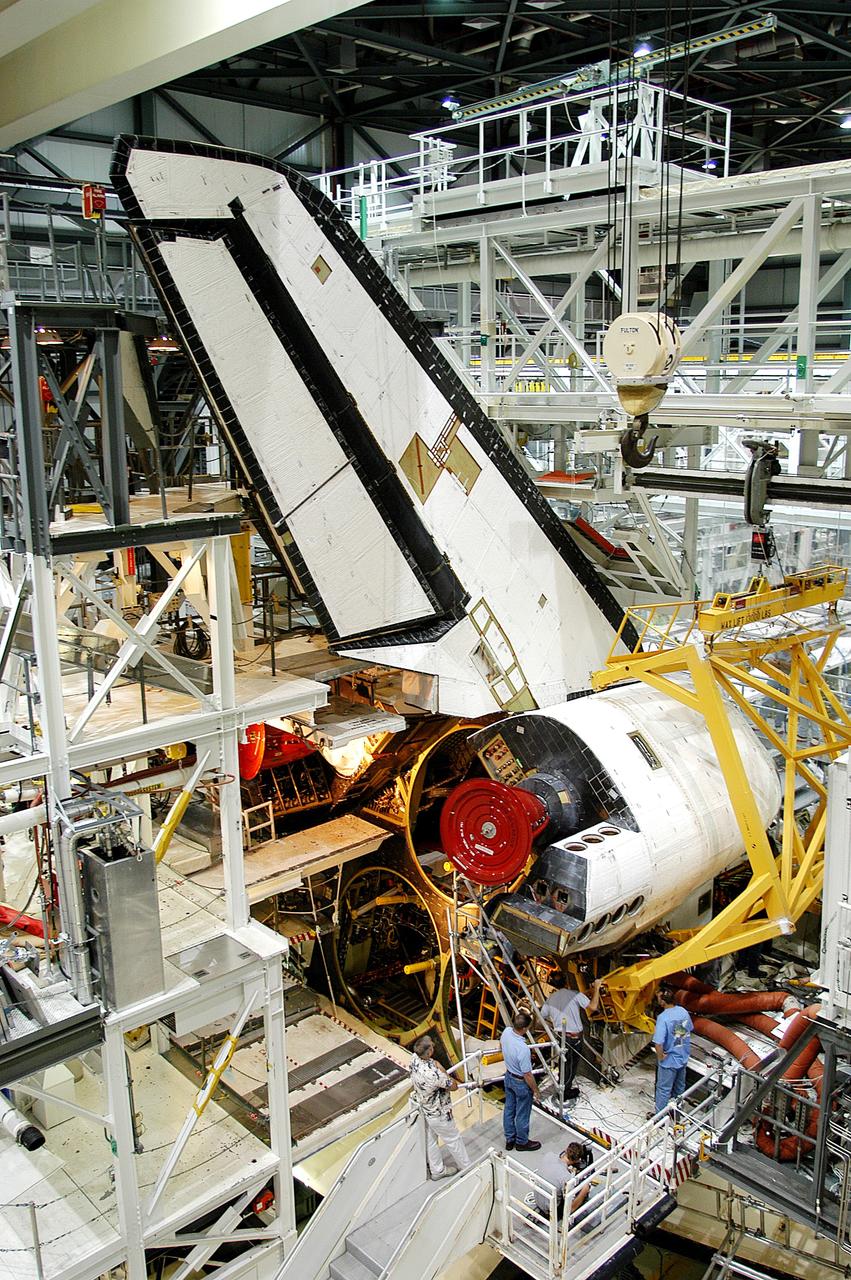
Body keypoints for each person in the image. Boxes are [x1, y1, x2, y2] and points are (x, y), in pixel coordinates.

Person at [409, 1034, 471, 1179]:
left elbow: (431, 1063)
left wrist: (434, 1063)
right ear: (429, 1052)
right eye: (432, 1046)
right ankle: (469, 1169)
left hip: (426, 1110)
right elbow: (453, 1085)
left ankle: (437, 1171)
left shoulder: (414, 1059)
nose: (434, 1046)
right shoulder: (433, 1075)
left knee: (431, 1140)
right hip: (440, 1114)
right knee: (454, 1140)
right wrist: (440, 1067)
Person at [541, 974, 603, 1098]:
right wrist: (596, 988)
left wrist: (556, 1020)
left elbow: (542, 1015)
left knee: (564, 1064)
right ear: (566, 982)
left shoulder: (551, 998)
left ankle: (562, 1087)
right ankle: (564, 1093)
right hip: (573, 1038)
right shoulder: (575, 995)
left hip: (561, 1036)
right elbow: (593, 1007)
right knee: (570, 1065)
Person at [500, 1010, 542, 1152]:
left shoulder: (506, 1033)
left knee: (509, 1109)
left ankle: (509, 1139)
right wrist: (536, 1090)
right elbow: (528, 1075)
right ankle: (522, 1142)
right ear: (524, 1029)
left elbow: (502, 1047)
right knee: (522, 1113)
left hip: (508, 1077)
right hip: (520, 1082)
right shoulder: (523, 1049)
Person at [652, 986, 693, 1113]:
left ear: (663, 1001)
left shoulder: (663, 1018)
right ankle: (677, 1112)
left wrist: (660, 1057)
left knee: (663, 1090)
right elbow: (687, 1029)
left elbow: (658, 1043)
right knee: (679, 1088)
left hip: (669, 1061)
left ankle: (659, 1118)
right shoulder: (683, 1011)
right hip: (683, 1056)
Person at [533, 1142, 592, 1218]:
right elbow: (570, 1209)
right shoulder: (566, 1178)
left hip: (539, 1200)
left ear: (566, 1150)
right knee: (584, 1188)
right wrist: (585, 1189)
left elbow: (556, 1170)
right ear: (577, 1160)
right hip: (551, 1212)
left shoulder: (549, 1155)